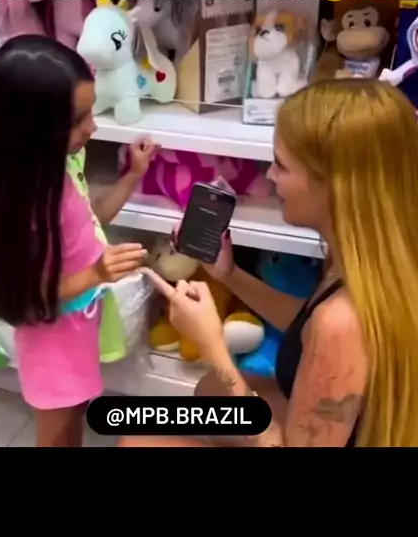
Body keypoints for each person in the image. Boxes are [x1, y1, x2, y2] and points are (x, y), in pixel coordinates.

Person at [120, 78, 418, 448]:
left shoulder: (341, 324)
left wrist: (213, 348)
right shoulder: (375, 257)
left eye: (281, 165)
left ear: (336, 185)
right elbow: (307, 324)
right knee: (211, 392)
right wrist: (229, 275)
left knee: (137, 445)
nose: (269, 175)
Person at [0, 34, 157, 447]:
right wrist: (96, 273)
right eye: (78, 120)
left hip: (78, 324)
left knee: (74, 416)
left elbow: (90, 221)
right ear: (32, 129)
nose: (93, 126)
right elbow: (26, 296)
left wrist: (134, 175)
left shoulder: (63, 167)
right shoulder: (23, 202)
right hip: (50, 340)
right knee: (57, 432)